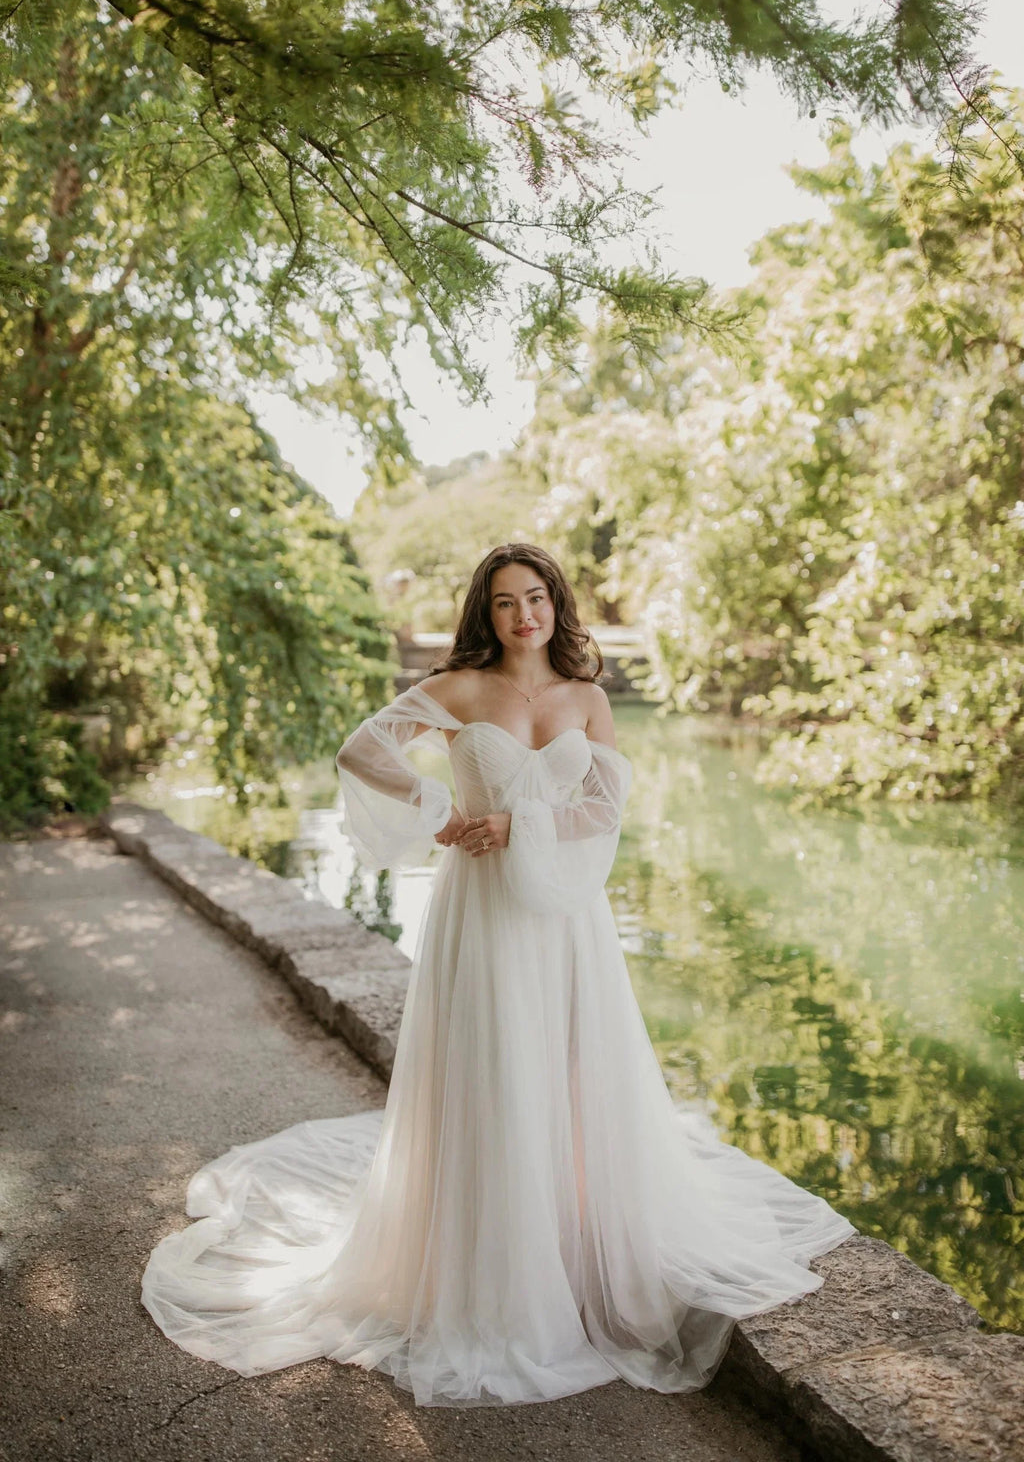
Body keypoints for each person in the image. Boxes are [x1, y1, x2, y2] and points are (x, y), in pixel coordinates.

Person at [141, 542, 856, 1408]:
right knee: (493, 1070)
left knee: (570, 1070)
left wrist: (523, 829)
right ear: (488, 613)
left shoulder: (587, 697)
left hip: (564, 915)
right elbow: (365, 749)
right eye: (508, 602)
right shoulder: (461, 689)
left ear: (557, 604)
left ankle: (574, 1242)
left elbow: (604, 806)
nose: (525, 615)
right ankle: (492, 1267)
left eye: (537, 598)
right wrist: (442, 812)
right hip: (480, 913)